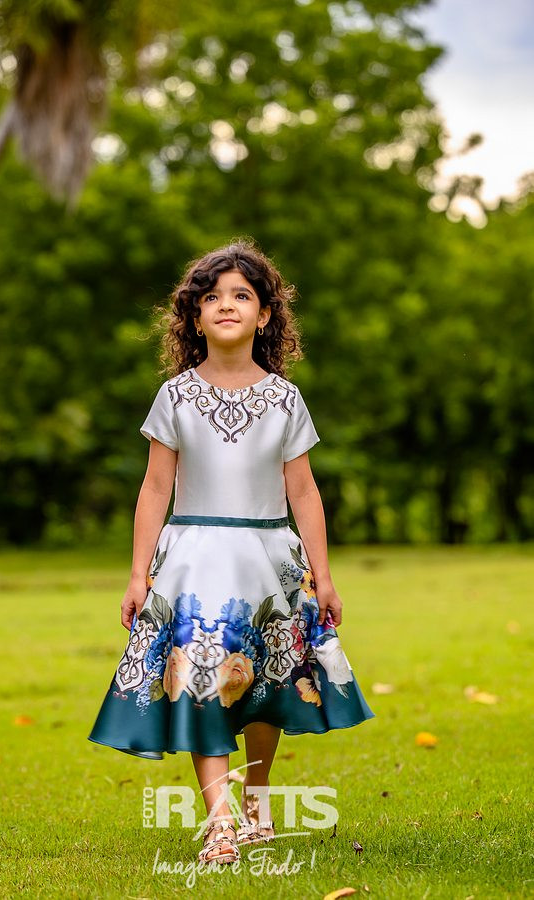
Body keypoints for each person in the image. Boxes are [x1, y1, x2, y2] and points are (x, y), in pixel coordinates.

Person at [88, 238, 375, 866]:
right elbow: (155, 488)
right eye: (212, 297)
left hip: (269, 561)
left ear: (264, 315)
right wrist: (137, 574)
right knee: (201, 677)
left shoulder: (285, 399)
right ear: (194, 318)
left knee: (267, 681)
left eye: (241, 295)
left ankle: (256, 796)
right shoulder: (175, 396)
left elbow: (303, 490)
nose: (226, 304)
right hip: (194, 560)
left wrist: (324, 576)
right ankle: (219, 821)